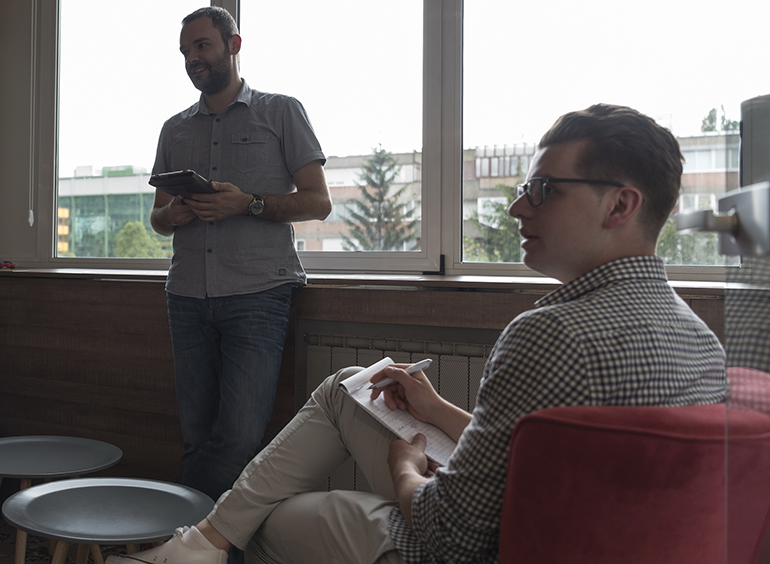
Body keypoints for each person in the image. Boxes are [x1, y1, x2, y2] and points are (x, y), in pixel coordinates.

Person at [111, 104, 728, 564]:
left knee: (269, 520)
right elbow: (545, 447)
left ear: (620, 205)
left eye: (541, 190)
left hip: (472, 548)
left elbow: (447, 535)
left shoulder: (550, 334)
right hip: (570, 526)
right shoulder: (702, 340)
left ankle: (201, 546)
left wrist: (406, 466)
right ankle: (201, 545)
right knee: (349, 386)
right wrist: (434, 409)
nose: (517, 209)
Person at [149, 6, 333, 502]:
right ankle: (199, 550)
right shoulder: (174, 129)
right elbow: (157, 218)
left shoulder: (282, 111)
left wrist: (246, 203)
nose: (193, 59)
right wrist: (176, 215)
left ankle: (183, 543)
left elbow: (319, 202)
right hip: (185, 297)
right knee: (197, 439)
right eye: (186, 51)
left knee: (238, 440)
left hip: (258, 296)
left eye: (202, 45)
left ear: (233, 45)